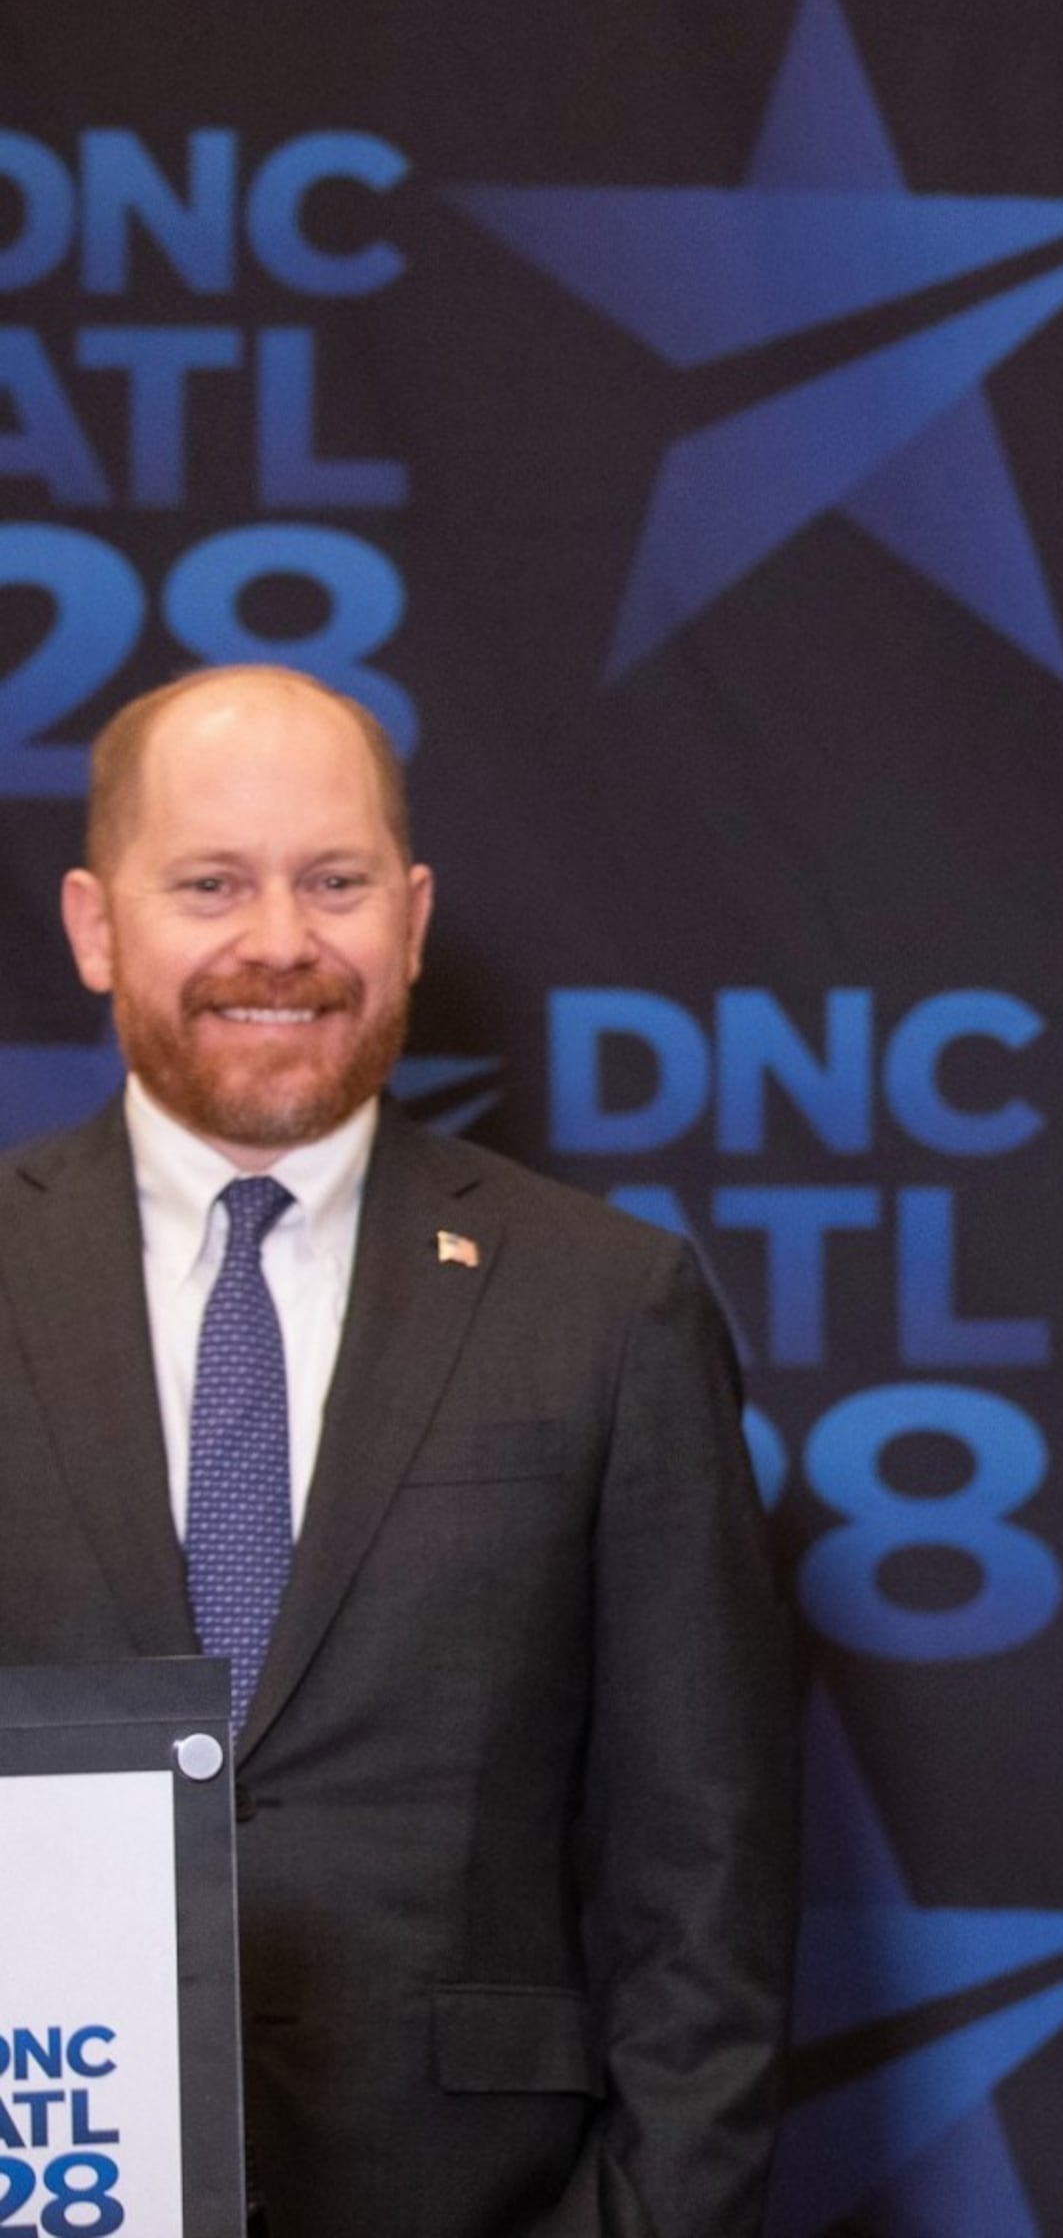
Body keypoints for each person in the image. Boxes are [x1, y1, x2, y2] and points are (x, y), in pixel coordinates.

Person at [0, 665, 796, 2238]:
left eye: (336, 882)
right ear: (96, 925)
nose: (281, 941)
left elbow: (702, 1876)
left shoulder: (607, 1306)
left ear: (414, 919)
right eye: (211, 883)